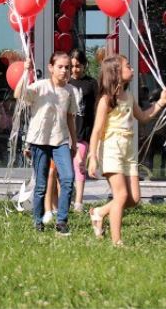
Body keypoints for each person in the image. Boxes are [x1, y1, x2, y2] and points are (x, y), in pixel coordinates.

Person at [88, 54, 166, 246]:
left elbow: (143, 117)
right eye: (128, 66)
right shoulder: (106, 100)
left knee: (134, 199)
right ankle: (117, 241)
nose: (132, 69)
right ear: (116, 72)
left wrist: (160, 102)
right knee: (122, 196)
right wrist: (93, 157)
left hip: (129, 151)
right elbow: (97, 131)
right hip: (112, 149)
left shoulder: (129, 96)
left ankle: (99, 213)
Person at [14, 52, 77, 235]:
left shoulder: (71, 90)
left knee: (67, 179)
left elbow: (70, 118)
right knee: (41, 184)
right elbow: (18, 94)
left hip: (60, 140)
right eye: (60, 66)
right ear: (51, 68)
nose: (64, 70)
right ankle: (37, 221)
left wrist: (73, 142)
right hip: (39, 141)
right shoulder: (40, 87)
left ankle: (62, 220)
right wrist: (26, 72)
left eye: (67, 67)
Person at [68, 49, 98, 213]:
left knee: (79, 165)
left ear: (84, 65)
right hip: (66, 132)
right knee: (63, 169)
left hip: (83, 131)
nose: (74, 70)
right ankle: (67, 197)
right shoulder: (66, 83)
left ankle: (78, 202)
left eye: (78, 66)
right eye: (72, 66)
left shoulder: (91, 84)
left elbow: (95, 109)